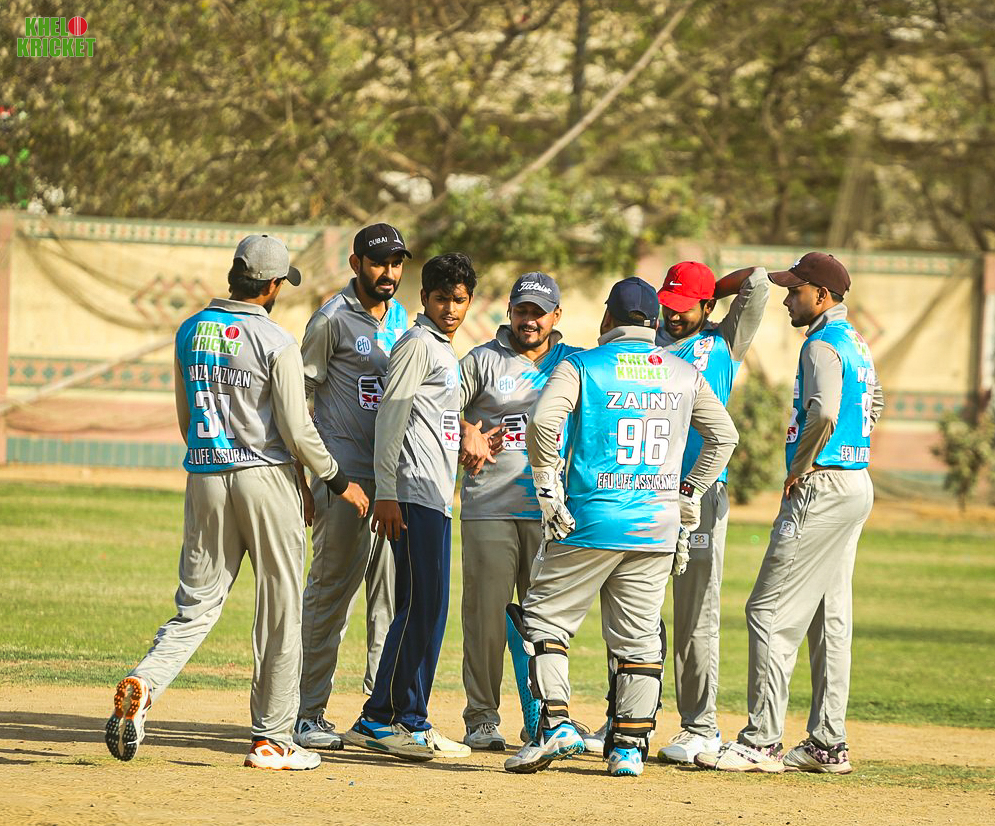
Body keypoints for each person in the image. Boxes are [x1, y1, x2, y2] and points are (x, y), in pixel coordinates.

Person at [104, 234, 368, 770]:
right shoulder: (276, 339)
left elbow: (186, 420)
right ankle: (272, 739)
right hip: (265, 477)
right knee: (281, 609)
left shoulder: (189, 331)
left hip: (205, 473)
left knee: (196, 606)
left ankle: (145, 682)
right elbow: (297, 429)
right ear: (272, 285)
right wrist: (338, 481)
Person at [504, 277, 738, 778]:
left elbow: (543, 422)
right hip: (656, 526)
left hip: (589, 521)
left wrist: (547, 487)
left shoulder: (581, 365)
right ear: (653, 323)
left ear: (607, 318)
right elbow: (724, 436)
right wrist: (688, 494)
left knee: (543, 621)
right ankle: (628, 748)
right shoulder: (684, 372)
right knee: (639, 640)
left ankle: (555, 725)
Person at [696, 252, 882, 774]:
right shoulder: (856, 342)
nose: (786, 299)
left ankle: (761, 741)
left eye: (795, 291)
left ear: (822, 296)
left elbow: (823, 411)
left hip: (822, 485)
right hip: (855, 482)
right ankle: (827, 744)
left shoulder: (821, 344)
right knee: (829, 616)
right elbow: (874, 403)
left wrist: (802, 466)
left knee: (768, 612)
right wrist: (851, 447)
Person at [341, 252, 479, 762]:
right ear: (424, 298)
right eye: (441, 298)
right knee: (421, 604)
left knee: (428, 607)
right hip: (411, 494)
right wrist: (387, 491)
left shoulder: (441, 348)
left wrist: (467, 437)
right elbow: (391, 418)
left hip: (435, 495)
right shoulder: (417, 344)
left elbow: (433, 419)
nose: (450, 308)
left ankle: (399, 717)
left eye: (458, 300)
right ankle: (388, 719)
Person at [294, 223, 410, 751]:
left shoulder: (404, 319)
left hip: (391, 482)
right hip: (344, 481)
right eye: (379, 262)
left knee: (389, 601)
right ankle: (303, 712)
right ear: (356, 262)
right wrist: (308, 475)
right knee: (331, 596)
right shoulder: (331, 319)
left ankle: (377, 715)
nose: (389, 272)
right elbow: (296, 398)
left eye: (397, 263)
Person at [457, 272, 582, 751]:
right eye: (522, 310)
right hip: (490, 506)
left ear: (556, 315)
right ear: (510, 311)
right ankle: (482, 717)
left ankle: (546, 717)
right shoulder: (482, 360)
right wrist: (467, 428)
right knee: (486, 620)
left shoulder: (575, 362)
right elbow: (439, 407)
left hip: (553, 513)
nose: (529, 320)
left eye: (539, 312)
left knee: (545, 622)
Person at [651, 262, 769, 764]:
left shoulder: (724, 342)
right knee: (635, 608)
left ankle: (700, 728)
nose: (674, 316)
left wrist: (711, 291)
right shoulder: (647, 341)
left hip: (699, 495)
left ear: (706, 307)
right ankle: (629, 717)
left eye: (685, 308)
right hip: (644, 491)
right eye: (669, 305)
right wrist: (689, 295)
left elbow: (758, 282)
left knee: (695, 611)